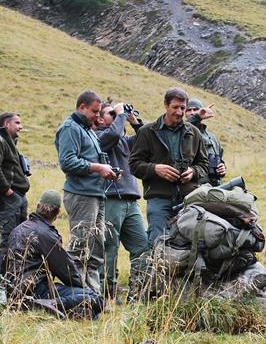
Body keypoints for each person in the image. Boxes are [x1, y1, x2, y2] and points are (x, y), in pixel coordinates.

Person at [55, 90, 120, 294]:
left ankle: (93, 295)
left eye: (99, 112)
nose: (98, 116)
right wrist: (98, 168)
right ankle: (76, 295)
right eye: (94, 111)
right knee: (80, 247)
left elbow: (92, 159)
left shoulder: (88, 130)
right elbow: (67, 161)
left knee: (96, 247)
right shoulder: (70, 128)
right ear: (82, 107)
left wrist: (107, 171)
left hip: (97, 194)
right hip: (81, 195)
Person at [5, 190, 103, 319]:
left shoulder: (17, 230)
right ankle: (52, 303)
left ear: (38, 206)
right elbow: (66, 270)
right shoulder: (46, 235)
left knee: (89, 313)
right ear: (57, 213)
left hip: (13, 291)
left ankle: (46, 308)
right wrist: (85, 289)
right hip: (36, 290)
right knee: (95, 299)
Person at [129, 87, 209, 244]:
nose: (179, 112)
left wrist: (193, 172)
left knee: (192, 244)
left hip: (189, 199)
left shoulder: (194, 133)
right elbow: (134, 164)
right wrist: (155, 169)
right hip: (159, 200)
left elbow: (204, 164)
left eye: (183, 108)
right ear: (165, 105)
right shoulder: (147, 132)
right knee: (158, 244)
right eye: (175, 107)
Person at [96, 102, 151, 298]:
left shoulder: (123, 140)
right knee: (110, 247)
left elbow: (146, 138)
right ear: (100, 119)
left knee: (142, 246)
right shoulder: (98, 137)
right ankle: (106, 294)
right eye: (111, 113)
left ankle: (137, 292)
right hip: (111, 199)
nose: (117, 115)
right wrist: (120, 115)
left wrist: (133, 120)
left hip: (131, 201)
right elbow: (110, 136)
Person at [0, 112, 30, 275]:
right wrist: (6, 190)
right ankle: (3, 279)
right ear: (6, 124)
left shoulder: (10, 144)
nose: (20, 127)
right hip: (7, 198)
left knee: (19, 240)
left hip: (17, 197)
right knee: (9, 240)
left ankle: (15, 276)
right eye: (17, 123)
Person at [186, 98, 226, 185]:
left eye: (195, 109)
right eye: (188, 110)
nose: (192, 112)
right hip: (196, 185)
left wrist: (222, 167)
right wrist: (197, 116)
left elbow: (220, 157)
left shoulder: (212, 137)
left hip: (215, 184)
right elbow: (186, 128)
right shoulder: (184, 132)